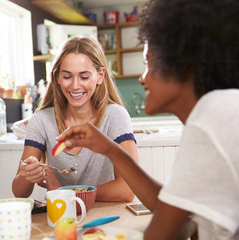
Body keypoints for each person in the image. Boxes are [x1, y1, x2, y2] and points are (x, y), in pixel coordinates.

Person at [57, 0, 239, 239]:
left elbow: (160, 234)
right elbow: (181, 220)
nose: (143, 78)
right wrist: (111, 150)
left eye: (147, 64)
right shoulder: (223, 110)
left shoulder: (211, 116)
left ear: (182, 65)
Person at [12, 37, 138, 201]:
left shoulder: (116, 116)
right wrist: (27, 174)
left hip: (106, 217)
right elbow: (19, 192)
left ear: (100, 76)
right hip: (61, 218)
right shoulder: (41, 120)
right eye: (67, 76)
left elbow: (128, 189)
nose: (75, 85)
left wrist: (65, 193)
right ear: (57, 77)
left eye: (84, 77)